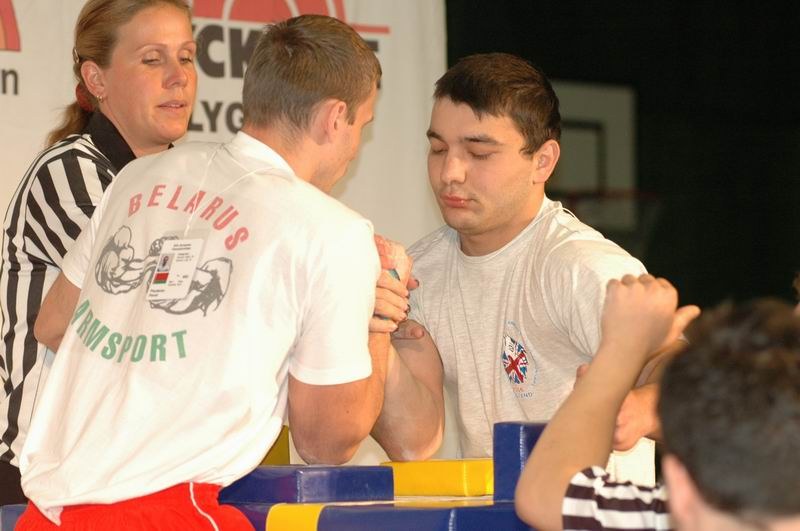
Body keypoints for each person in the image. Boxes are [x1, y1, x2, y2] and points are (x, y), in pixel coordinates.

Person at [16, 14, 405, 530]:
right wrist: (377, 315)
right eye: (362, 124)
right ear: (336, 118)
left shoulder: (139, 176)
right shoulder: (334, 231)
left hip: (46, 514)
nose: (355, 143)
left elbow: (55, 324)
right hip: (168, 513)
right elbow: (326, 442)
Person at [378, 53, 671, 482]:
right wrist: (375, 330)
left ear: (543, 161)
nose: (449, 173)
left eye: (479, 152)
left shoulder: (582, 266)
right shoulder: (422, 271)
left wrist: (640, 409)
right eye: (438, 148)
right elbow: (413, 440)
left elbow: (682, 373)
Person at [0, 0, 197, 505]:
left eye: (188, 57)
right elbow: (152, 308)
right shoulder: (69, 173)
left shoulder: (195, 182)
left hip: (133, 472)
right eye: (153, 60)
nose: (179, 78)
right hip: (38, 478)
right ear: (98, 79)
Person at [515, 276, 800, 531]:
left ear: (680, 486)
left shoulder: (688, 514)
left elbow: (545, 495)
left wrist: (622, 349)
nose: (795, 315)